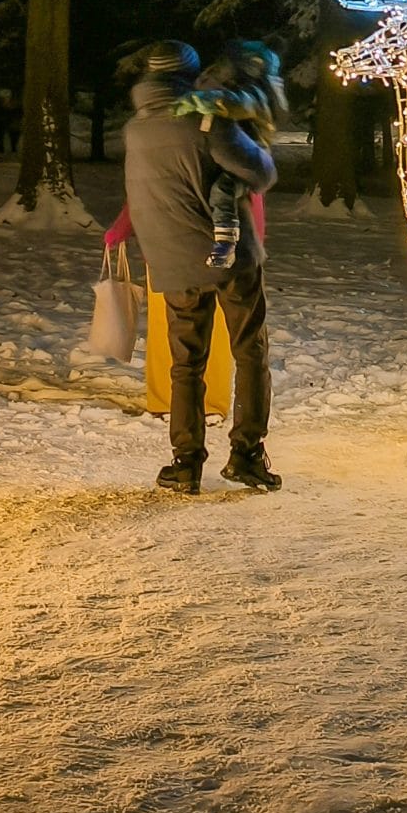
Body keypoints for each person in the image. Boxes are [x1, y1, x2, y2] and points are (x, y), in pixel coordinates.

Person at [120, 39, 281, 494]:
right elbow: (261, 173)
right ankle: (247, 455)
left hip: (173, 262)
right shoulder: (206, 119)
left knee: (185, 363)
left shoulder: (135, 128)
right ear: (189, 76)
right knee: (250, 352)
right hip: (230, 258)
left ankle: (186, 463)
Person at [173, 40, 288, 271]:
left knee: (222, 190)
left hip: (253, 153)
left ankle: (225, 243)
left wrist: (205, 101)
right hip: (239, 152)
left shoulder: (257, 93)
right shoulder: (244, 87)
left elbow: (238, 104)